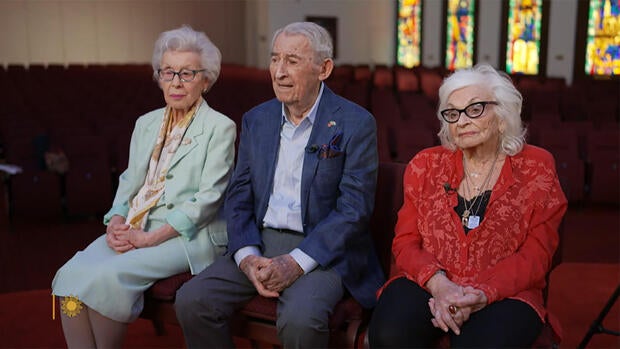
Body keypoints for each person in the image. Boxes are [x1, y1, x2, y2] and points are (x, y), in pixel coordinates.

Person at [175, 21, 385, 348]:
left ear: (324, 68)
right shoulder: (257, 119)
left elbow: (353, 211)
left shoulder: (355, 123)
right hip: (260, 241)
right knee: (193, 300)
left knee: (301, 322)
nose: (279, 72)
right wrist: (246, 255)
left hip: (322, 248)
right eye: (275, 59)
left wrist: (295, 262)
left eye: (292, 61)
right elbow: (239, 196)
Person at [51, 25, 236, 348]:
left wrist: (150, 238)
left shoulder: (220, 128)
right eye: (168, 72)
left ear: (206, 80)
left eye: (187, 73)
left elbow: (208, 199)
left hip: (188, 235)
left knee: (107, 279)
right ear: (159, 76)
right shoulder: (146, 123)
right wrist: (117, 221)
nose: (176, 82)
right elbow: (130, 181)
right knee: (70, 277)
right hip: (138, 224)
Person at [368, 63, 567, 348]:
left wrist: (481, 293)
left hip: (505, 291)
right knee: (389, 335)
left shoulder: (537, 168)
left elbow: (537, 255)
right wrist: (440, 286)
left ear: (502, 116)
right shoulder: (425, 165)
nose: (461, 121)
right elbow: (405, 243)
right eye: (452, 113)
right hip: (428, 281)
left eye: (475, 109)